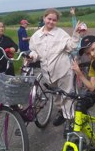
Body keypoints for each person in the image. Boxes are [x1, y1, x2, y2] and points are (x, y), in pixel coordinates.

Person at [28, 8, 83, 137]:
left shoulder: (61, 34)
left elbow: (71, 46)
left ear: (56, 21)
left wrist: (76, 34)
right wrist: (33, 55)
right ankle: (62, 113)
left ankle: (69, 122)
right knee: (57, 96)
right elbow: (33, 50)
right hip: (48, 74)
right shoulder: (36, 36)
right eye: (49, 19)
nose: (51, 22)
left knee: (67, 96)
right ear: (44, 18)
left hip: (63, 71)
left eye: (54, 20)